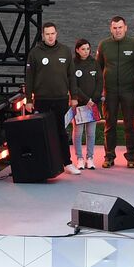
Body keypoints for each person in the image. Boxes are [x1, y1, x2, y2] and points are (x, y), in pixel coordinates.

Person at [25, 22, 79, 174]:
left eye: (52, 33)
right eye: (47, 34)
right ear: (43, 35)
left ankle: (67, 163)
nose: (50, 36)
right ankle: (43, 163)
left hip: (61, 99)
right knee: (41, 132)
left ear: (57, 34)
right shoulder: (35, 53)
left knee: (61, 131)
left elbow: (71, 76)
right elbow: (29, 78)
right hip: (42, 100)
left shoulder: (65, 51)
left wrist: (73, 96)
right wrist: (29, 99)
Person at [97, 15, 134, 168]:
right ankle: (109, 156)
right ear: (111, 28)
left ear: (125, 28)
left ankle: (131, 157)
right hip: (109, 92)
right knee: (109, 125)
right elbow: (99, 68)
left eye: (120, 27)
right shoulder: (104, 45)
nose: (117, 31)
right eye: (115, 28)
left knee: (130, 125)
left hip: (128, 92)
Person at [68, 38, 101, 171]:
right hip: (80, 104)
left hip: (93, 104)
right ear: (77, 50)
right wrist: (86, 99)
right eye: (83, 49)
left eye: (88, 49)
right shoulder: (73, 64)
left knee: (91, 132)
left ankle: (90, 157)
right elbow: (73, 85)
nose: (86, 52)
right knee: (78, 132)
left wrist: (94, 99)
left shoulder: (95, 63)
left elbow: (100, 81)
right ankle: (79, 158)